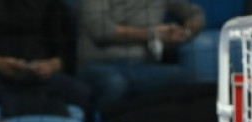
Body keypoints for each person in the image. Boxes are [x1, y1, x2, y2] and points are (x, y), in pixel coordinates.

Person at [0, 0, 91, 118]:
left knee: (81, 92)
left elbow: (66, 52)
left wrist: (52, 65)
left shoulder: (52, 4)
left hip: (42, 74)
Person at [76, 0, 205, 109]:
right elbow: (101, 30)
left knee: (195, 79)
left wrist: (185, 33)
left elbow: (195, 14)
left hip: (144, 67)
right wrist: (151, 34)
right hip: (100, 65)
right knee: (115, 83)